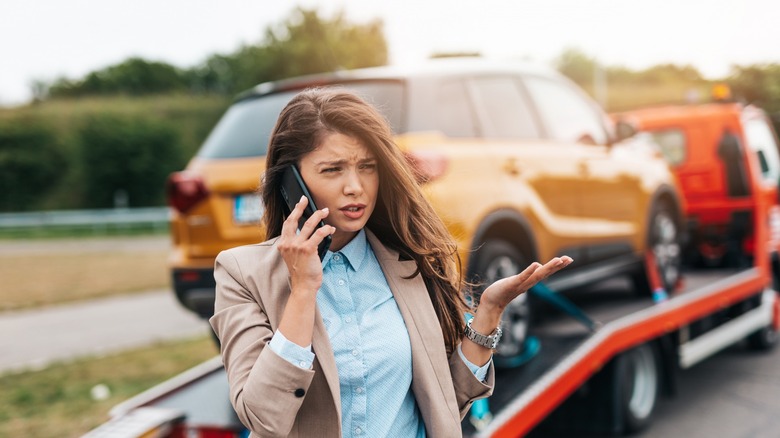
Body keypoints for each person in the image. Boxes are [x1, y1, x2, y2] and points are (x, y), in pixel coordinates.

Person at [209, 88, 573, 438]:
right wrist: (302, 290)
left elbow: (448, 401)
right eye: (333, 169)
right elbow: (263, 416)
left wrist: (489, 311)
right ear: (292, 181)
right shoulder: (243, 274)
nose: (355, 186)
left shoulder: (410, 260)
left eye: (367, 166)